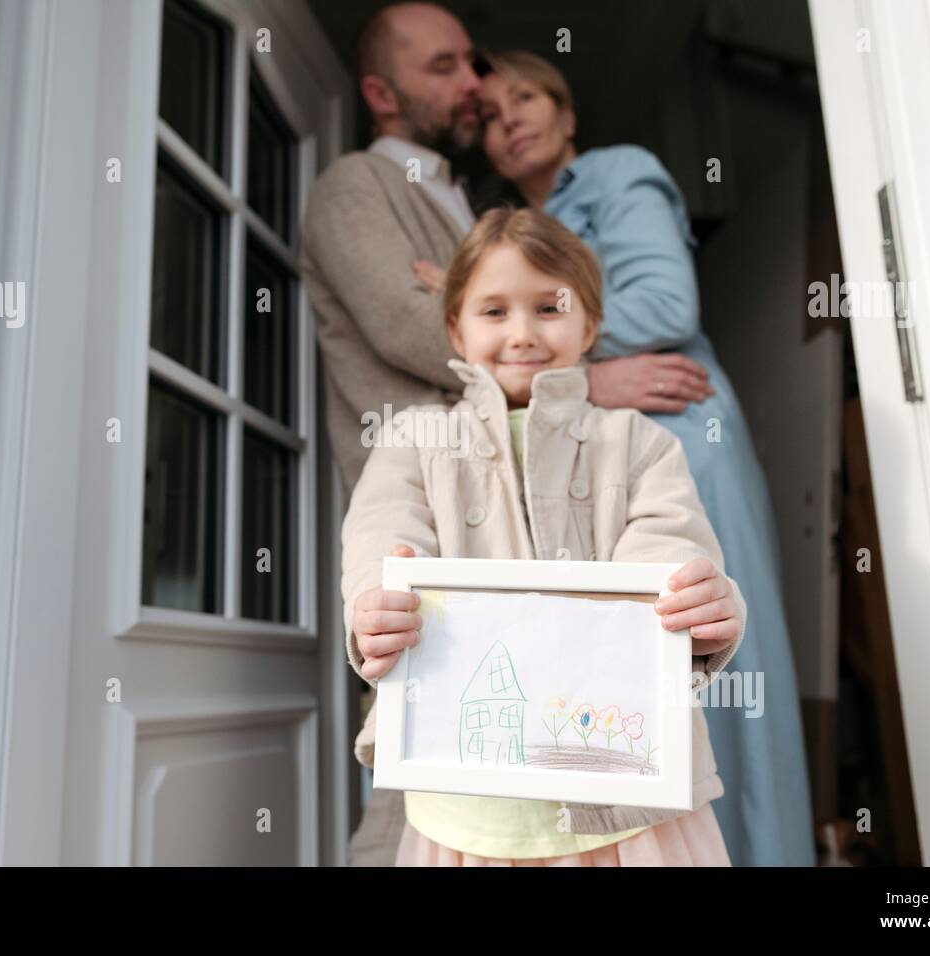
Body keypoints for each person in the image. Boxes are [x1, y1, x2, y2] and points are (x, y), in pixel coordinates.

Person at [300, 3, 714, 865]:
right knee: (440, 771)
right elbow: (397, 326)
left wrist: (675, 612)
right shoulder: (355, 187)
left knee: (562, 770)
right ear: (379, 92)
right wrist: (580, 379)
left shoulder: (633, 446)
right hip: (450, 518)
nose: (475, 85)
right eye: (447, 67)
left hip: (593, 682)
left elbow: (664, 553)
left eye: (474, 65)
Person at [431, 49, 816, 866]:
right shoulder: (502, 228)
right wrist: (581, 377)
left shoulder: (617, 172)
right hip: (585, 442)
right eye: (492, 117)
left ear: (568, 114)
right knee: (616, 676)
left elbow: (670, 300)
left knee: (704, 647)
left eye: (527, 97)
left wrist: (573, 371)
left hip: (678, 431)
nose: (512, 120)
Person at [343, 206, 745, 866]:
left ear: (590, 324)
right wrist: (373, 609)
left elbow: (670, 554)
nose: (522, 332)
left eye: (550, 308)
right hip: (468, 812)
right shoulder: (412, 442)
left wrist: (697, 608)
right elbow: (380, 544)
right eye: (494, 311)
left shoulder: (641, 444)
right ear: (455, 327)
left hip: (627, 808)